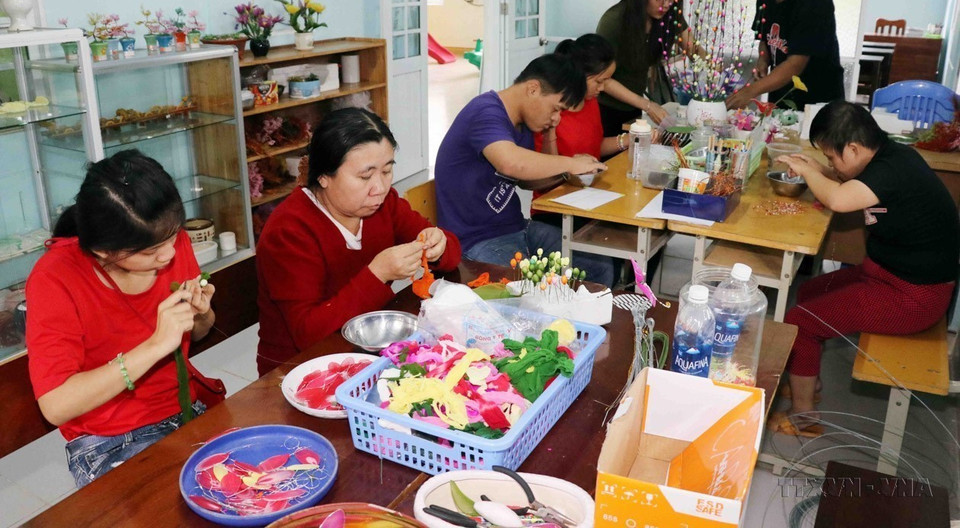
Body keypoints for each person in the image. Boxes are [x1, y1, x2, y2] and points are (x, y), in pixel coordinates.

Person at [25, 150, 216, 488]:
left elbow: (198, 333)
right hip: (109, 440)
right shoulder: (55, 278)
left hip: (187, 411)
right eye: (150, 252)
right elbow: (56, 405)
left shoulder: (166, 238)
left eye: (173, 236)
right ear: (103, 251)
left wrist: (200, 316)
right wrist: (155, 345)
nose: (169, 253)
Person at [769, 101, 958, 436]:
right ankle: (807, 380)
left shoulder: (890, 171)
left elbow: (840, 200)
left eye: (832, 156)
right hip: (888, 274)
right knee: (810, 292)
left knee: (803, 321)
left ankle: (805, 417)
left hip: (915, 297)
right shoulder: (888, 157)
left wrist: (813, 173)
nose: (831, 164)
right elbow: (850, 184)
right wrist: (820, 169)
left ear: (854, 148)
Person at [256, 108, 461, 375]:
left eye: (387, 171)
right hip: (298, 371)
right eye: (365, 176)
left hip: (367, 351)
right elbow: (308, 335)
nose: (379, 187)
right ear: (323, 176)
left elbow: (453, 253)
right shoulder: (289, 231)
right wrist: (378, 273)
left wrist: (439, 245)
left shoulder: (383, 205)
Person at [435, 53, 614, 287]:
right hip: (473, 240)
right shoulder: (486, 111)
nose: (557, 118)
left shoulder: (522, 122)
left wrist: (555, 145)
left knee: (598, 265)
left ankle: (584, 323)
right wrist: (571, 163)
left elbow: (527, 181)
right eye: (556, 109)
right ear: (532, 89)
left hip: (516, 228)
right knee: (528, 291)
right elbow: (510, 163)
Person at [726, 0, 844, 111]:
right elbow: (764, 38)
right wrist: (763, 60)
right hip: (781, 95)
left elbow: (795, 64)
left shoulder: (814, 0)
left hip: (818, 100)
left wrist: (750, 92)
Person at [596, 0, 693, 135]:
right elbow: (602, 79)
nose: (666, 4)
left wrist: (714, 73)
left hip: (634, 108)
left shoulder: (668, 16)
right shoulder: (614, 21)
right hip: (605, 109)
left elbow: (693, 49)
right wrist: (647, 105)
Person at [535, 34, 623, 162]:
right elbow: (546, 168)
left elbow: (594, 147)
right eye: (599, 81)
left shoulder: (590, 101)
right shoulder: (549, 110)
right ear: (580, 74)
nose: (602, 88)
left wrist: (630, 140)